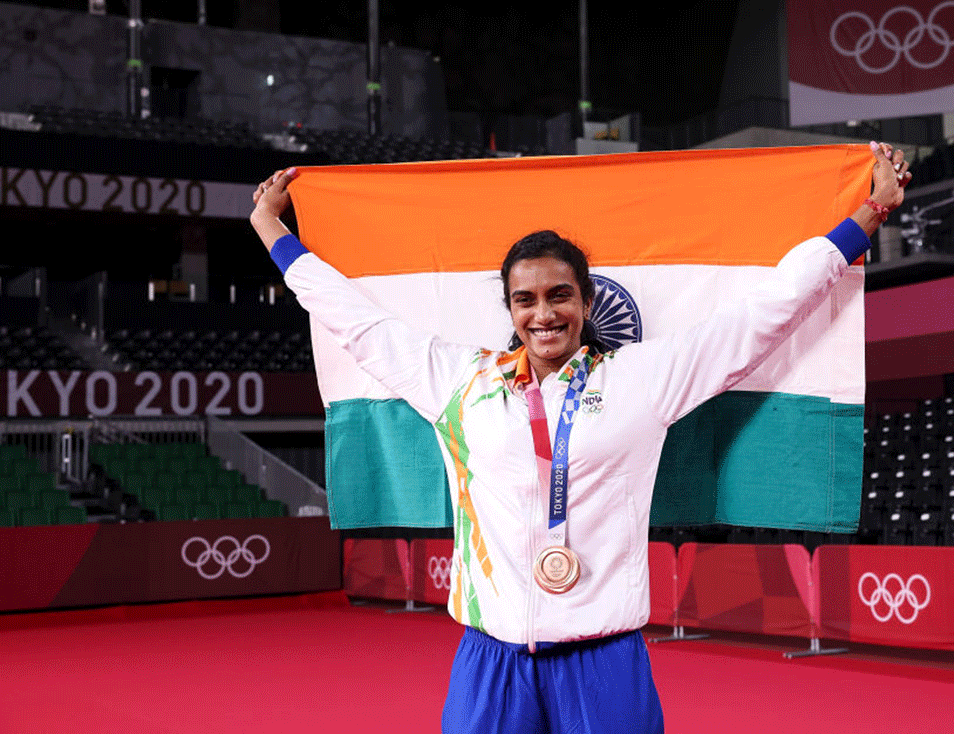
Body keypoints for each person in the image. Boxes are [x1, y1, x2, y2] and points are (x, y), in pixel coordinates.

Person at [250, 142, 911, 734]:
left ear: (587, 302)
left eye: (560, 295)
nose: (545, 314)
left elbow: (763, 315)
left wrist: (869, 215)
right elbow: (353, 319)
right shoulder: (460, 382)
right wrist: (269, 227)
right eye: (526, 300)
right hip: (492, 657)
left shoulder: (641, 379)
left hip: (604, 659)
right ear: (509, 309)